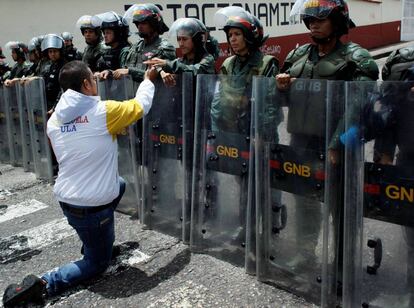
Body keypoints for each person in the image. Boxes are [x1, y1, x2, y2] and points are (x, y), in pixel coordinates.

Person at [2, 60, 157, 307]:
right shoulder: (104, 112)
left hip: (68, 199)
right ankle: (42, 285)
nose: (95, 83)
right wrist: (148, 80)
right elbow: (141, 105)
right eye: (93, 80)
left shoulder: (54, 119)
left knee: (119, 184)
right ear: (86, 83)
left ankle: (97, 243)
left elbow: (73, 147)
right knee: (96, 264)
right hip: (91, 208)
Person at [274, 0, 378, 275]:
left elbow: (359, 104)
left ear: (338, 20)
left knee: (340, 206)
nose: (314, 24)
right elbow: (279, 99)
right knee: (305, 201)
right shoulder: (299, 56)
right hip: (301, 142)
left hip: (337, 144)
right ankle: (306, 254)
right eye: (310, 19)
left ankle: (343, 266)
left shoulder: (357, 58)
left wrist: (337, 143)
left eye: (321, 18)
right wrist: (281, 88)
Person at [108, 3, 175, 82]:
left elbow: (157, 76)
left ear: (154, 24)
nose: (139, 26)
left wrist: (130, 72)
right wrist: (110, 73)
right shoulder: (134, 48)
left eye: (144, 23)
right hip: (135, 93)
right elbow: (123, 71)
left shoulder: (165, 47)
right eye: (138, 23)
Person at [144, 17, 215, 87]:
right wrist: (162, 72)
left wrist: (166, 63)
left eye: (184, 39)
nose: (181, 44)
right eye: (179, 39)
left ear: (196, 40)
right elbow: (156, 68)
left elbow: (194, 70)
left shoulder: (208, 60)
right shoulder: (180, 61)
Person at [40, 34, 66, 113]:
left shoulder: (65, 66)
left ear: (60, 52)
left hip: (59, 106)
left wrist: (55, 107)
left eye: (55, 51)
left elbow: (63, 89)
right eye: (50, 51)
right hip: (48, 104)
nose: (52, 54)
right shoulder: (50, 66)